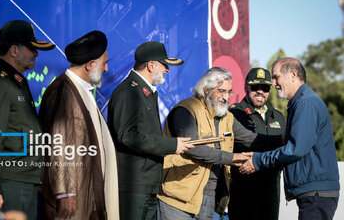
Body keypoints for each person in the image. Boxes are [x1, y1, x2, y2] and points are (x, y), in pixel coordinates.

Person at [157, 67, 284, 220]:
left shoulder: (227, 117)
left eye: (229, 92)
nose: (226, 97)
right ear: (206, 89)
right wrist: (232, 158)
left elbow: (251, 138)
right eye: (221, 91)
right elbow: (193, 147)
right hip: (177, 198)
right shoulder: (186, 109)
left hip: (209, 197)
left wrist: (286, 138)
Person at [240, 58, 340, 220]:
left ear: (293, 74)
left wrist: (258, 160)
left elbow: (295, 149)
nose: (273, 84)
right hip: (314, 193)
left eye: (276, 77)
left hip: (316, 194)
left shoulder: (305, 103)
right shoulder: (301, 102)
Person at [107, 41, 194, 220]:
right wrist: (171, 145)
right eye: (165, 65)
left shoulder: (145, 91)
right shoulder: (128, 91)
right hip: (133, 186)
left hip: (147, 184)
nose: (167, 70)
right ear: (151, 65)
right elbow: (127, 135)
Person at [39, 31, 119, 219]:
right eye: (104, 63)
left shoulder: (80, 89)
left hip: (87, 194)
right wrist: (65, 192)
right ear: (90, 65)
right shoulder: (63, 89)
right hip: (74, 201)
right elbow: (58, 143)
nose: (107, 69)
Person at [0, 20, 55, 219]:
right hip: (9, 184)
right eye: (32, 48)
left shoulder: (16, 82)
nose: (36, 53)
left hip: (21, 181)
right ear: (14, 50)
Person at [228, 68, 286, 220]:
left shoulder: (279, 117)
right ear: (246, 87)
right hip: (243, 191)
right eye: (255, 87)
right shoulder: (232, 114)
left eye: (265, 88)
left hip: (271, 190)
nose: (260, 91)